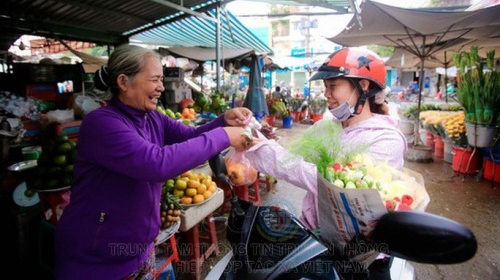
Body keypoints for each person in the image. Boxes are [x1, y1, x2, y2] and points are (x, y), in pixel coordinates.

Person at [54, 44, 253, 279]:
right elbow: (156, 164)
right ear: (123, 82)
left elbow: (190, 135)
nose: (161, 87)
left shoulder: (152, 118)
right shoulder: (101, 123)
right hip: (97, 259)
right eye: (155, 79)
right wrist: (223, 136)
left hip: (139, 248)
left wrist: (222, 122)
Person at [245, 47, 407, 279]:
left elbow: (330, 185)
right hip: (317, 241)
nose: (326, 94)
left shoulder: (386, 139)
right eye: (326, 87)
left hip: (362, 258)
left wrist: (267, 153)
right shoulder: (327, 126)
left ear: (362, 86)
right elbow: (299, 159)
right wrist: (266, 138)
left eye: (333, 87)